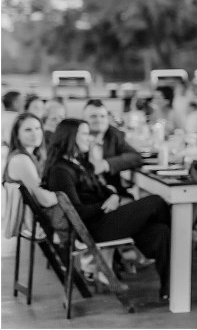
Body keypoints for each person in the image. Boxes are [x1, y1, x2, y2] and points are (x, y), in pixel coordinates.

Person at [42, 119, 171, 301]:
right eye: (85, 134)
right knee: (156, 201)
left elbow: (101, 190)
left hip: (103, 219)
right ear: (71, 138)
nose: (91, 139)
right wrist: (105, 205)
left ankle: (169, 287)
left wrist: (113, 195)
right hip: (92, 228)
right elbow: (76, 212)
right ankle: (153, 250)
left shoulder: (79, 163)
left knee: (161, 231)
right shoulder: (61, 171)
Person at [2, 113, 61, 223]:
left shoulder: (34, 156)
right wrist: (65, 196)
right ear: (17, 135)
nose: (35, 133)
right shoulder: (21, 159)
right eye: (28, 130)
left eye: (38, 128)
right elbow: (45, 200)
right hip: (33, 226)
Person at [82, 99, 143, 197]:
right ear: (83, 119)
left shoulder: (113, 134)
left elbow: (135, 157)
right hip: (87, 196)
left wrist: (106, 164)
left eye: (103, 116)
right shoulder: (77, 137)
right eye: (93, 116)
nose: (99, 120)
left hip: (114, 193)